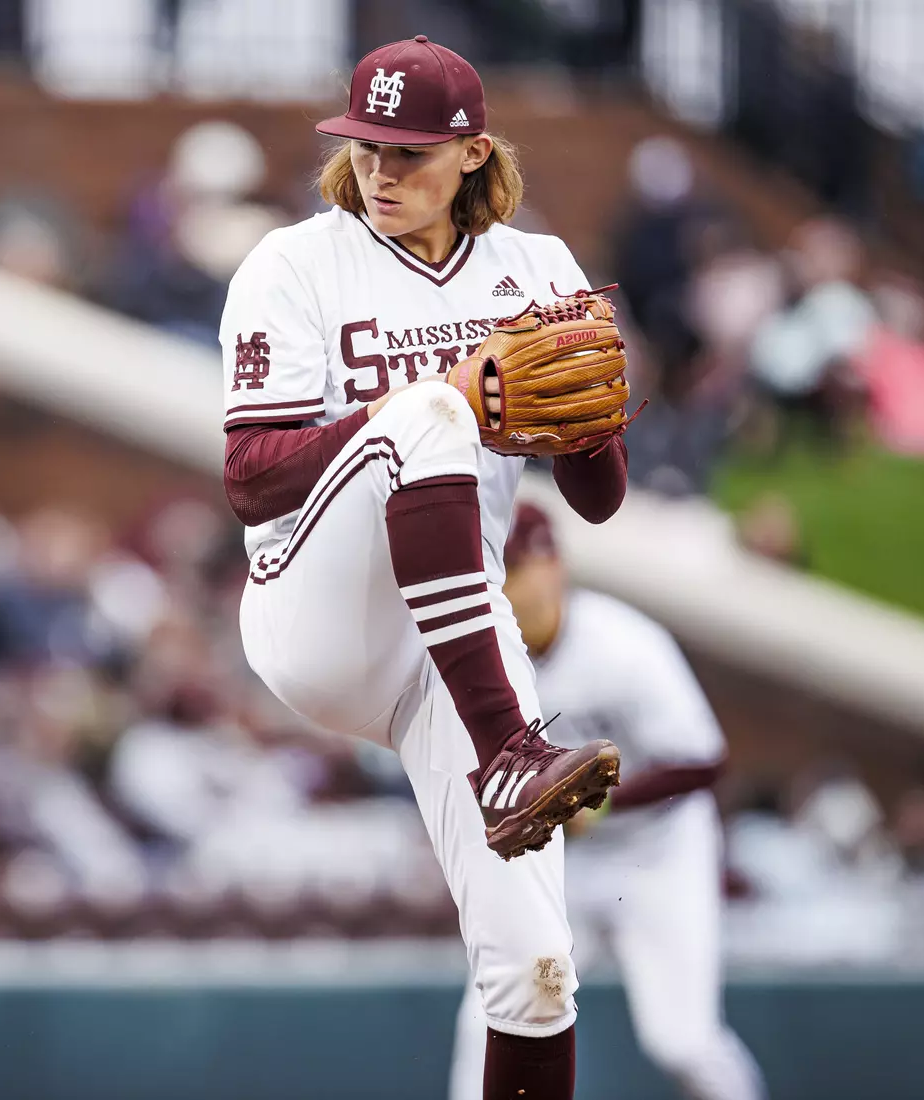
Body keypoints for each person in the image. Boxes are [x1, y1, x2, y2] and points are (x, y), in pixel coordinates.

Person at [221, 36, 631, 1098]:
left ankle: (502, 751)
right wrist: (433, 396)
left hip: (451, 652)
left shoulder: (535, 270)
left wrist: (587, 421)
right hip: (318, 606)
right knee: (431, 409)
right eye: (364, 145)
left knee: (536, 971)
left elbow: (598, 502)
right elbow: (252, 479)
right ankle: (508, 750)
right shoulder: (293, 263)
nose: (380, 171)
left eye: (406, 151)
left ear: (470, 152)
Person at [447, 504, 765, 1100]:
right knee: (490, 1017)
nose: (507, 584)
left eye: (516, 566)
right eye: (496, 569)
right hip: (565, 865)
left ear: (553, 566)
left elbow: (705, 760)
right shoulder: (488, 660)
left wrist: (605, 805)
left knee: (684, 1042)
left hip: (658, 855)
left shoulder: (625, 646)